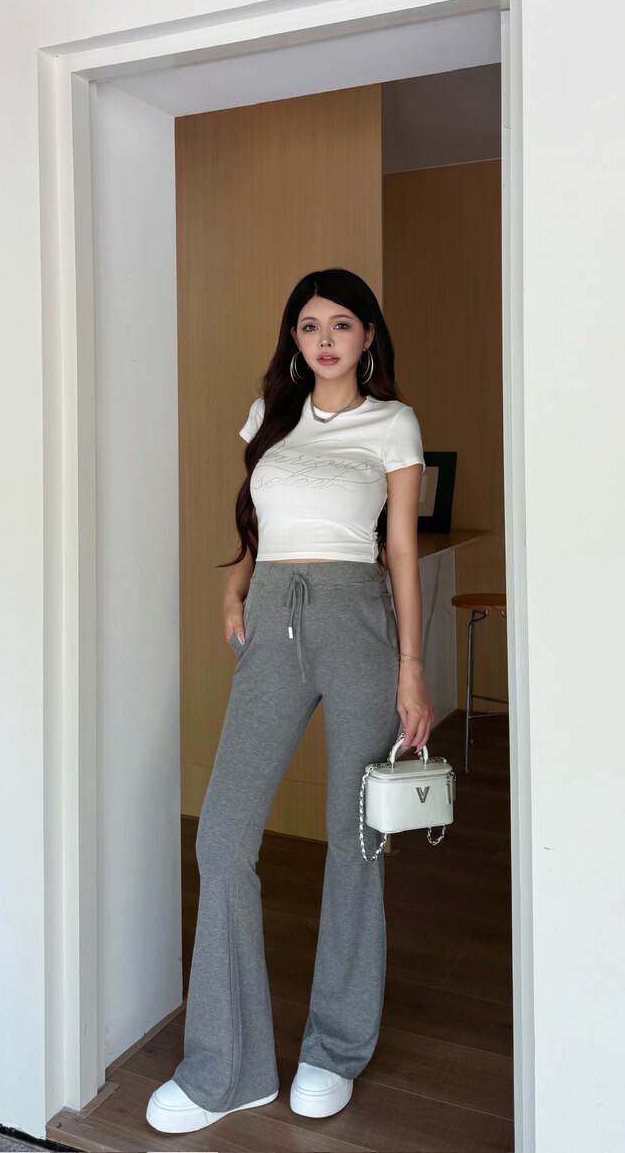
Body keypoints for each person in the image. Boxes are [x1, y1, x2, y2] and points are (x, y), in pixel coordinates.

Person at [146, 267, 433, 1136]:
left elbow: (402, 550)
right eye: (310, 325)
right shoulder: (270, 415)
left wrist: (412, 667)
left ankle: (334, 1046)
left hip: (357, 624)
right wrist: (236, 584)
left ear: (368, 335)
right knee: (224, 837)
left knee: (354, 840)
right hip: (272, 618)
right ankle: (227, 1066)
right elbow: (258, 519)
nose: (325, 339)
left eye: (342, 323)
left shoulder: (394, 423)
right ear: (295, 338)